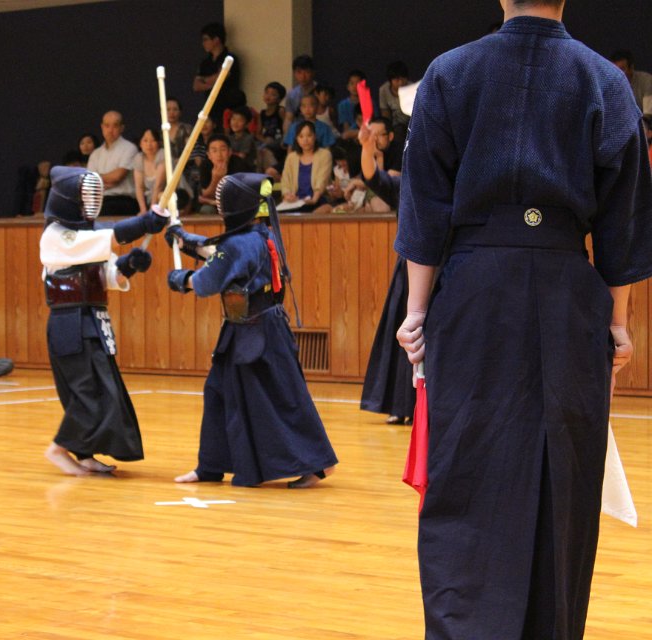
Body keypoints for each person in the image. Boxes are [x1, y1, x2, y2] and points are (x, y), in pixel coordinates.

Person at [394, 1, 652, 637]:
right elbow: (623, 222)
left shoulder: (450, 73)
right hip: (569, 290)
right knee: (565, 473)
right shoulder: (604, 79)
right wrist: (618, 321)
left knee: (466, 465)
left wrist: (417, 311)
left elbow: (424, 205)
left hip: (472, 291)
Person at [165, 173, 338, 487]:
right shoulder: (260, 233)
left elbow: (206, 282)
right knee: (218, 391)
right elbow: (221, 254)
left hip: (256, 332)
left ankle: (317, 463)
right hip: (253, 329)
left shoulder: (239, 244)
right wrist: (185, 240)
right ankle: (211, 465)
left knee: (280, 398)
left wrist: (180, 280)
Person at [40, 166, 168, 476]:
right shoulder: (55, 236)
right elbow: (107, 237)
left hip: (93, 319)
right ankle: (58, 448)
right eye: (85, 198)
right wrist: (144, 223)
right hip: (69, 322)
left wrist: (129, 265)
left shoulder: (87, 237)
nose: (90, 203)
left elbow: (108, 276)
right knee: (87, 390)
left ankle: (85, 454)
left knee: (104, 388)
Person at [354, 122, 412, 424]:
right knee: (404, 337)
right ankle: (400, 405)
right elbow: (373, 177)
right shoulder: (405, 185)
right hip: (410, 269)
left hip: (448, 268)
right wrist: (367, 148)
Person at [86, 111, 140, 216]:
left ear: (122, 128)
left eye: (115, 126)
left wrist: (98, 179)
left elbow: (117, 177)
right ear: (102, 127)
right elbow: (90, 182)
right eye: (107, 126)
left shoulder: (130, 148)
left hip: (123, 200)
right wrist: (104, 180)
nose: (110, 130)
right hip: (100, 201)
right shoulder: (95, 154)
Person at [193, 22, 244, 127]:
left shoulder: (230, 58)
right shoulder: (205, 63)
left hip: (229, 107)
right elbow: (196, 86)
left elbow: (220, 77)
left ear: (216, 40)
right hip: (211, 107)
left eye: (206, 39)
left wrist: (204, 80)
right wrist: (213, 83)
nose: (203, 43)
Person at [279, 121, 332, 212]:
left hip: (317, 200)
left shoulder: (325, 154)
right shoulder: (291, 157)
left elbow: (322, 181)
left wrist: (314, 200)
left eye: (309, 135)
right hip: (295, 202)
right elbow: (285, 181)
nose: (305, 140)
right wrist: (287, 195)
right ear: (297, 139)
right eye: (301, 136)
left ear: (315, 136)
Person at [197, 135, 245, 213]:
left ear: (230, 152)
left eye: (223, 150)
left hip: (236, 203)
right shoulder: (205, 166)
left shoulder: (239, 164)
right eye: (214, 151)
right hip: (214, 203)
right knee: (206, 210)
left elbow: (241, 194)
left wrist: (212, 201)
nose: (219, 155)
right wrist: (216, 179)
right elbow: (206, 195)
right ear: (209, 155)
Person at [133, 128, 166, 211]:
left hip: (171, 196)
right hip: (151, 198)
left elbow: (159, 185)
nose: (149, 144)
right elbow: (139, 187)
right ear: (140, 143)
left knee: (161, 196)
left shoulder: (163, 155)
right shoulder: (139, 158)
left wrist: (152, 211)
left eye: (153, 140)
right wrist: (143, 210)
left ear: (158, 143)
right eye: (145, 140)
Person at [284, 55, 319, 133]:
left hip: (318, 130)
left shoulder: (320, 92)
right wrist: (287, 136)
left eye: (307, 72)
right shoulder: (292, 95)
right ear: (294, 73)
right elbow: (288, 119)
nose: (303, 76)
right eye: (299, 72)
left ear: (313, 72)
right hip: (299, 132)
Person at [336, 70, 367, 141]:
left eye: (358, 83)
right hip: (351, 136)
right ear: (348, 86)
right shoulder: (342, 105)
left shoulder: (370, 103)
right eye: (352, 83)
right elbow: (346, 128)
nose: (355, 87)